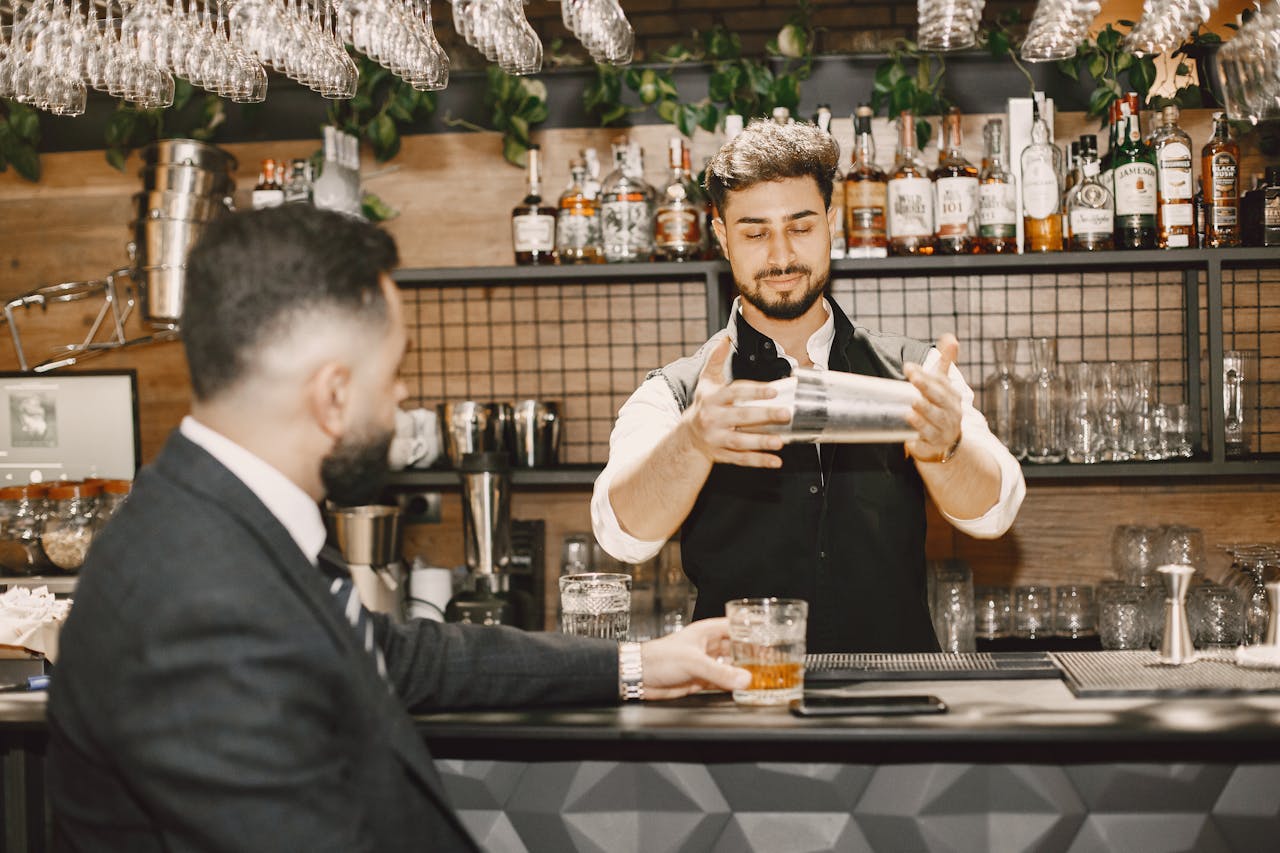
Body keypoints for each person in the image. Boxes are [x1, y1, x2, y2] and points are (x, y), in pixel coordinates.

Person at [46, 205, 751, 853]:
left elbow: (402, 654)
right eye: (395, 372)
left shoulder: (227, 520)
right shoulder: (195, 602)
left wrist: (637, 664)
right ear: (333, 396)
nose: (404, 395)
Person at [591, 118, 1025, 654]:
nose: (780, 256)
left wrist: (947, 450)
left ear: (831, 224)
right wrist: (693, 441)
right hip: (738, 700)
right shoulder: (677, 393)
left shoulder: (919, 370)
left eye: (800, 228)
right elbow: (622, 534)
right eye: (754, 233)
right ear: (723, 237)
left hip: (894, 701)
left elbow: (995, 511)